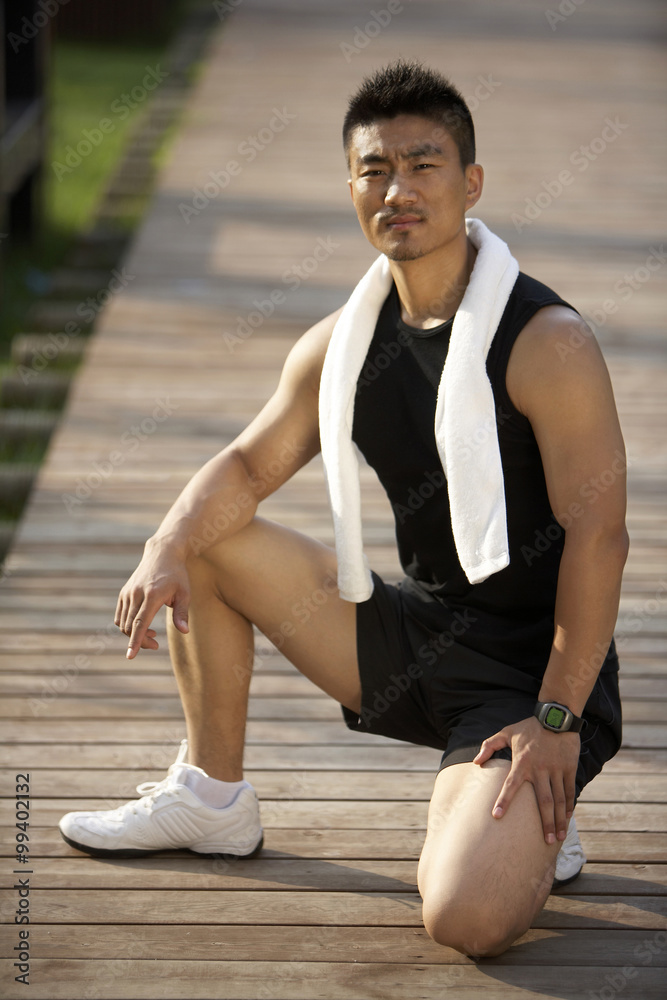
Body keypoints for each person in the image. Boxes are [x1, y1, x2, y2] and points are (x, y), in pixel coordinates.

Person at [59, 61, 628, 958]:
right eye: (374, 169)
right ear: (351, 189)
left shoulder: (545, 343)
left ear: (471, 182)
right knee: (207, 540)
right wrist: (164, 543)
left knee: (465, 919)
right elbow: (248, 464)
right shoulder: (343, 342)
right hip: (417, 633)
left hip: (531, 675)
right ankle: (211, 797)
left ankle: (525, 820)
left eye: (423, 163)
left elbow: (602, 533)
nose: (396, 189)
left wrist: (556, 720)